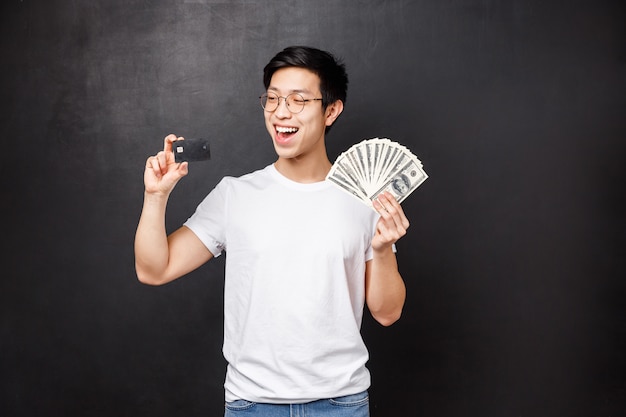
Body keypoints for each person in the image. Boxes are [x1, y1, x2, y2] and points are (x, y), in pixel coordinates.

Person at [134, 46, 410, 417]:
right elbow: (153, 270)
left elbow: (388, 313)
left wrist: (382, 250)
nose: (281, 112)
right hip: (251, 404)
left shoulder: (364, 200)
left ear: (331, 110)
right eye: (274, 99)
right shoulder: (235, 195)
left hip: (340, 403)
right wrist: (156, 196)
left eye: (298, 101)